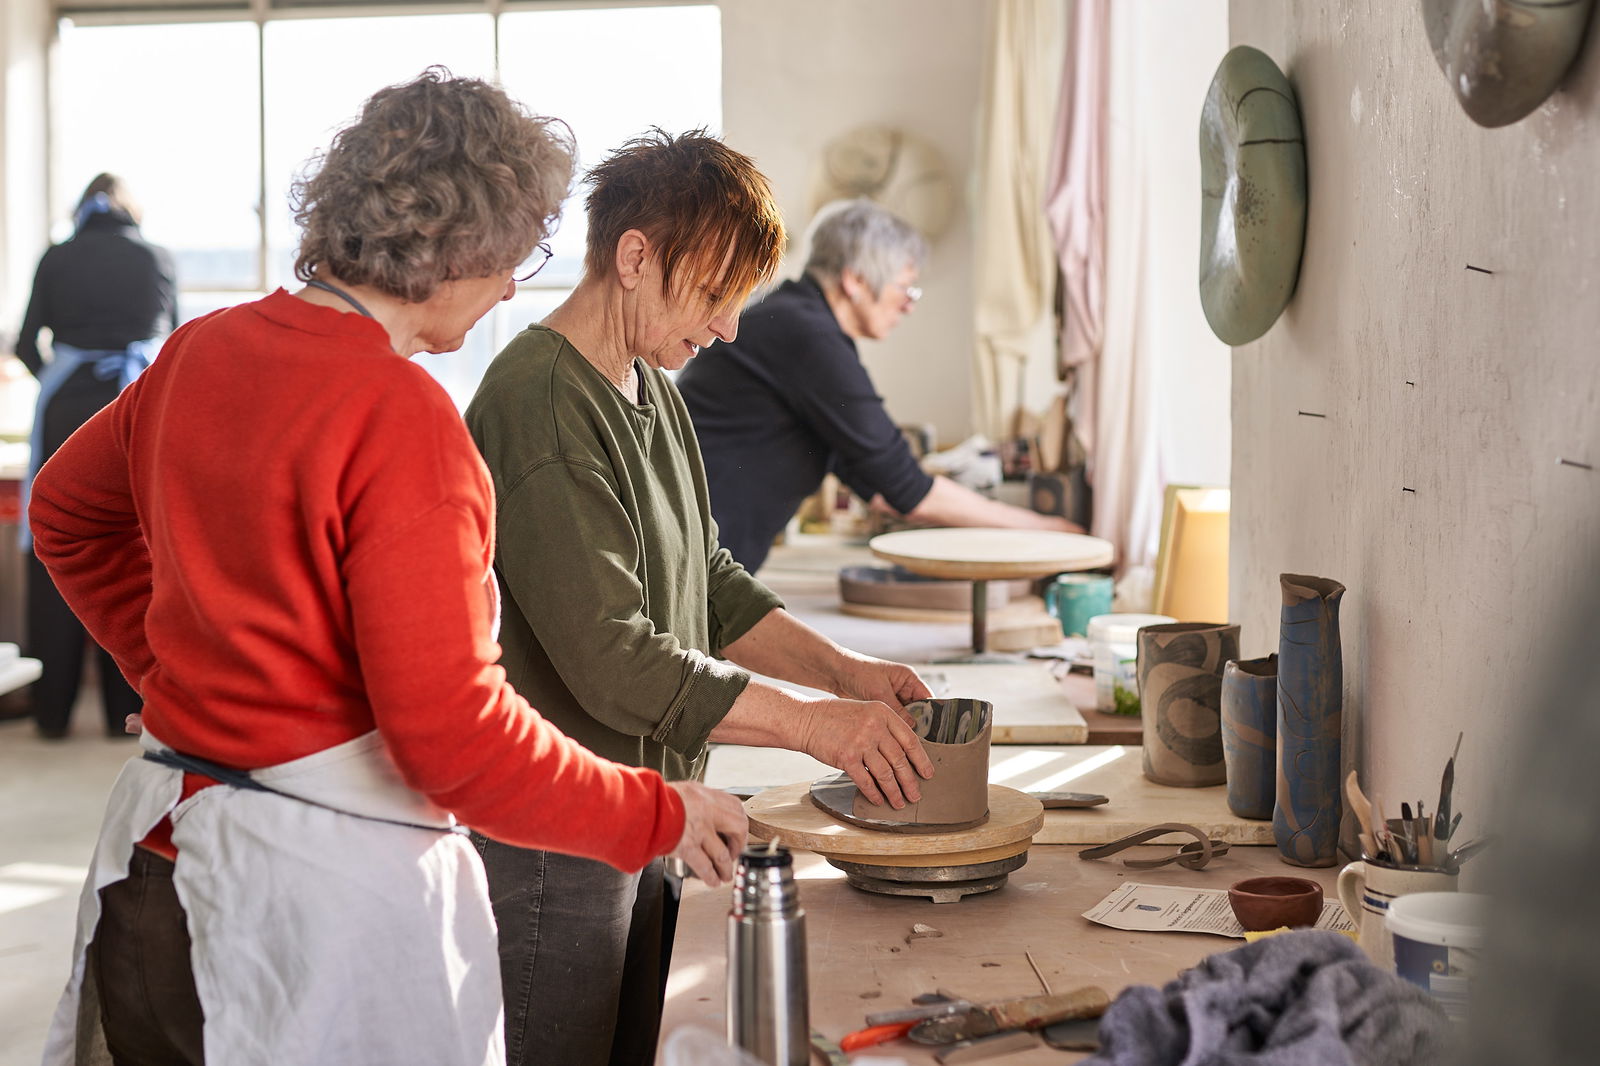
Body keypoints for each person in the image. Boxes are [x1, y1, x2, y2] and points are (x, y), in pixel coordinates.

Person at [30, 70, 745, 1066]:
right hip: (302, 913)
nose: (512, 285)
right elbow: (456, 738)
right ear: (453, 245)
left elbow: (63, 515)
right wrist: (659, 811)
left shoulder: (199, 350)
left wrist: (175, 672)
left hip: (158, 869)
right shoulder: (403, 419)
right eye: (513, 254)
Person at [464, 131, 936, 1066]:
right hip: (560, 841)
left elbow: (708, 583)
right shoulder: (542, 402)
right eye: (714, 296)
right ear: (634, 257)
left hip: (647, 803)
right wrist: (813, 725)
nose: (725, 330)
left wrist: (846, 675)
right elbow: (613, 657)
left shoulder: (649, 382)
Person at [677, 198, 1083, 574]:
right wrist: (1044, 528)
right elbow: (906, 488)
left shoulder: (795, 319)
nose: (909, 304)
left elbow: (879, 486)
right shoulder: (806, 334)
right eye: (904, 287)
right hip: (688, 555)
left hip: (699, 550)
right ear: (854, 280)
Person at [15, 173, 176, 738]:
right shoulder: (156, 256)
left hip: (67, 404)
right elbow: (175, 340)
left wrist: (59, 377)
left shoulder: (56, 257)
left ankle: (51, 713)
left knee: (60, 538)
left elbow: (23, 341)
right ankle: (124, 713)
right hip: (136, 405)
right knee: (135, 549)